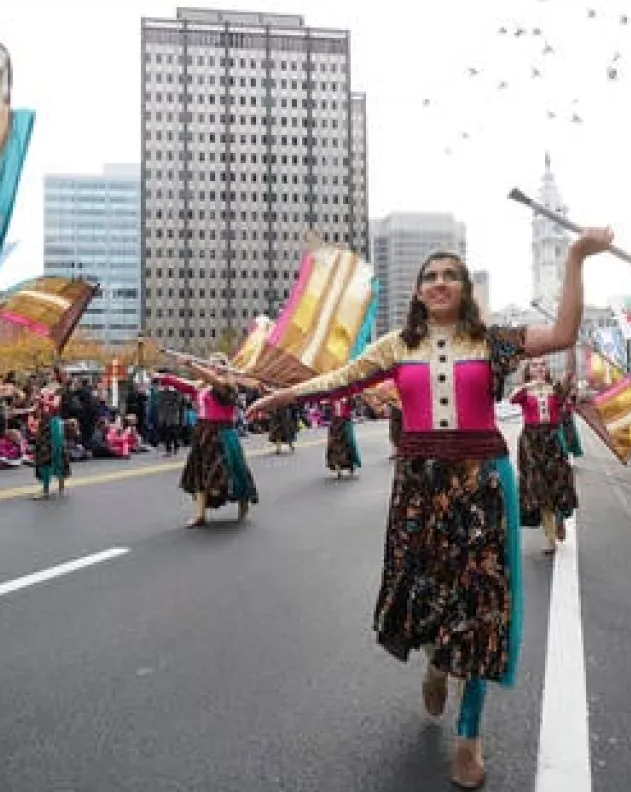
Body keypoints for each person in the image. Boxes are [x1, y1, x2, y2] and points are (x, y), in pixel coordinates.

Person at [246, 229, 611, 788]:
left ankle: (469, 737)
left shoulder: (494, 340)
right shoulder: (397, 346)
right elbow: (341, 379)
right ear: (418, 292)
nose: (439, 284)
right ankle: (437, 662)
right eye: (430, 277)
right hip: (418, 485)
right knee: (427, 591)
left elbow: (563, 332)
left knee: (483, 603)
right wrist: (285, 396)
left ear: (465, 290)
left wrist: (576, 258)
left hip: (482, 482)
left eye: (450, 276)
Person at [155, 355, 259, 528]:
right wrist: (164, 378)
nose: (214, 367)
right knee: (199, 473)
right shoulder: (203, 386)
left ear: (226, 367)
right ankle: (200, 515)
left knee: (232, 471)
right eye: (211, 364)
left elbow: (213, 380)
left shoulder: (228, 386)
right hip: (203, 432)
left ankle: (243, 502)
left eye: (218, 364)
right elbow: (185, 385)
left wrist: (191, 364)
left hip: (223, 433)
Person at [510, 357, 579, 554]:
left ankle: (559, 518)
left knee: (558, 484)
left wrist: (570, 352)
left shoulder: (555, 389)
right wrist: (530, 385)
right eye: (535, 365)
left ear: (548, 369)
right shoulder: (524, 390)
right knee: (538, 489)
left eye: (543, 365)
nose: (539, 368)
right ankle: (549, 537)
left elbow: (568, 383)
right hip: (531, 442)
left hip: (552, 440)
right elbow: (512, 399)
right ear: (529, 369)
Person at [325, 397, 361, 478]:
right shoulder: (331, 397)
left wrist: (351, 400)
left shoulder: (348, 396)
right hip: (335, 423)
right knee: (334, 446)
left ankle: (351, 467)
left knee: (350, 443)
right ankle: (338, 468)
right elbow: (328, 410)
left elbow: (353, 406)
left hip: (346, 422)